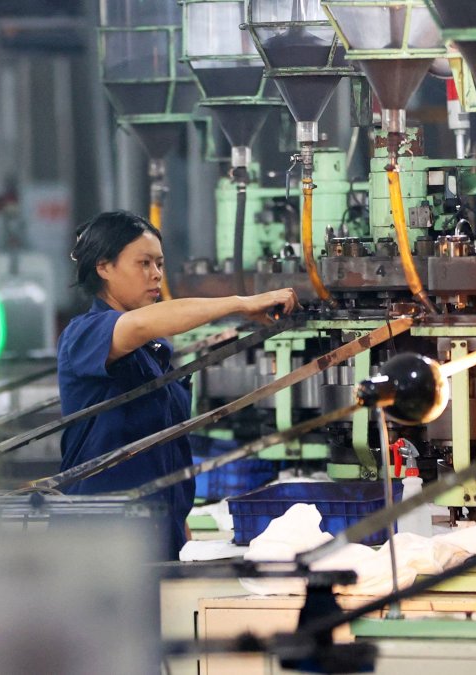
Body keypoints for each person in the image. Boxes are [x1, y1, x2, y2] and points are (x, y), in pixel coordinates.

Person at [58, 210, 299, 558]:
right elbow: (141, 324)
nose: (156, 275)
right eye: (144, 263)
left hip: (156, 535)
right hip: (99, 543)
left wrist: (179, 525)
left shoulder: (151, 352)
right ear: (104, 267)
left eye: (159, 263)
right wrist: (240, 304)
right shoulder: (86, 334)